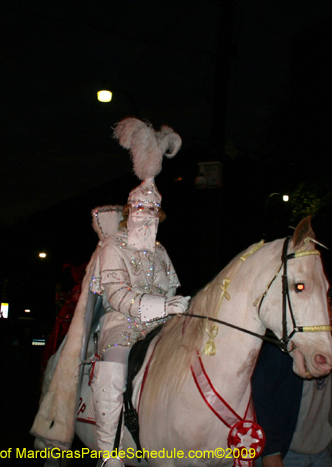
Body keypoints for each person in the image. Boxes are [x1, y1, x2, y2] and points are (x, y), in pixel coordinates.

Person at [91, 118, 190, 466]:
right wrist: (163, 304)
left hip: (159, 325)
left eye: (152, 211)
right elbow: (117, 294)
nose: (146, 216)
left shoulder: (161, 251)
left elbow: (172, 287)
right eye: (140, 209)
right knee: (115, 366)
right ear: (129, 211)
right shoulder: (113, 247)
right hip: (122, 324)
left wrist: (179, 307)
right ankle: (108, 453)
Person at [252, 286, 332, 467]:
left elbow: (329, 407)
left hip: (322, 453)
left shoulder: (325, 349)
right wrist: (270, 450)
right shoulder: (281, 349)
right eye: (328, 305)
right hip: (288, 455)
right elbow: (260, 398)